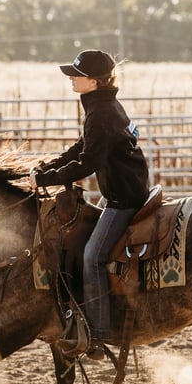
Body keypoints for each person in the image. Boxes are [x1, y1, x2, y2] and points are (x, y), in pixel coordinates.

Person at [29, 49, 150, 359]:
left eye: (76, 75)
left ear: (93, 82)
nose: (71, 78)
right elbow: (82, 148)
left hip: (123, 199)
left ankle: (96, 334)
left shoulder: (102, 114)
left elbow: (87, 163)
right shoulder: (105, 107)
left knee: (92, 256)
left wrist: (45, 180)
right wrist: (49, 166)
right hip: (128, 190)